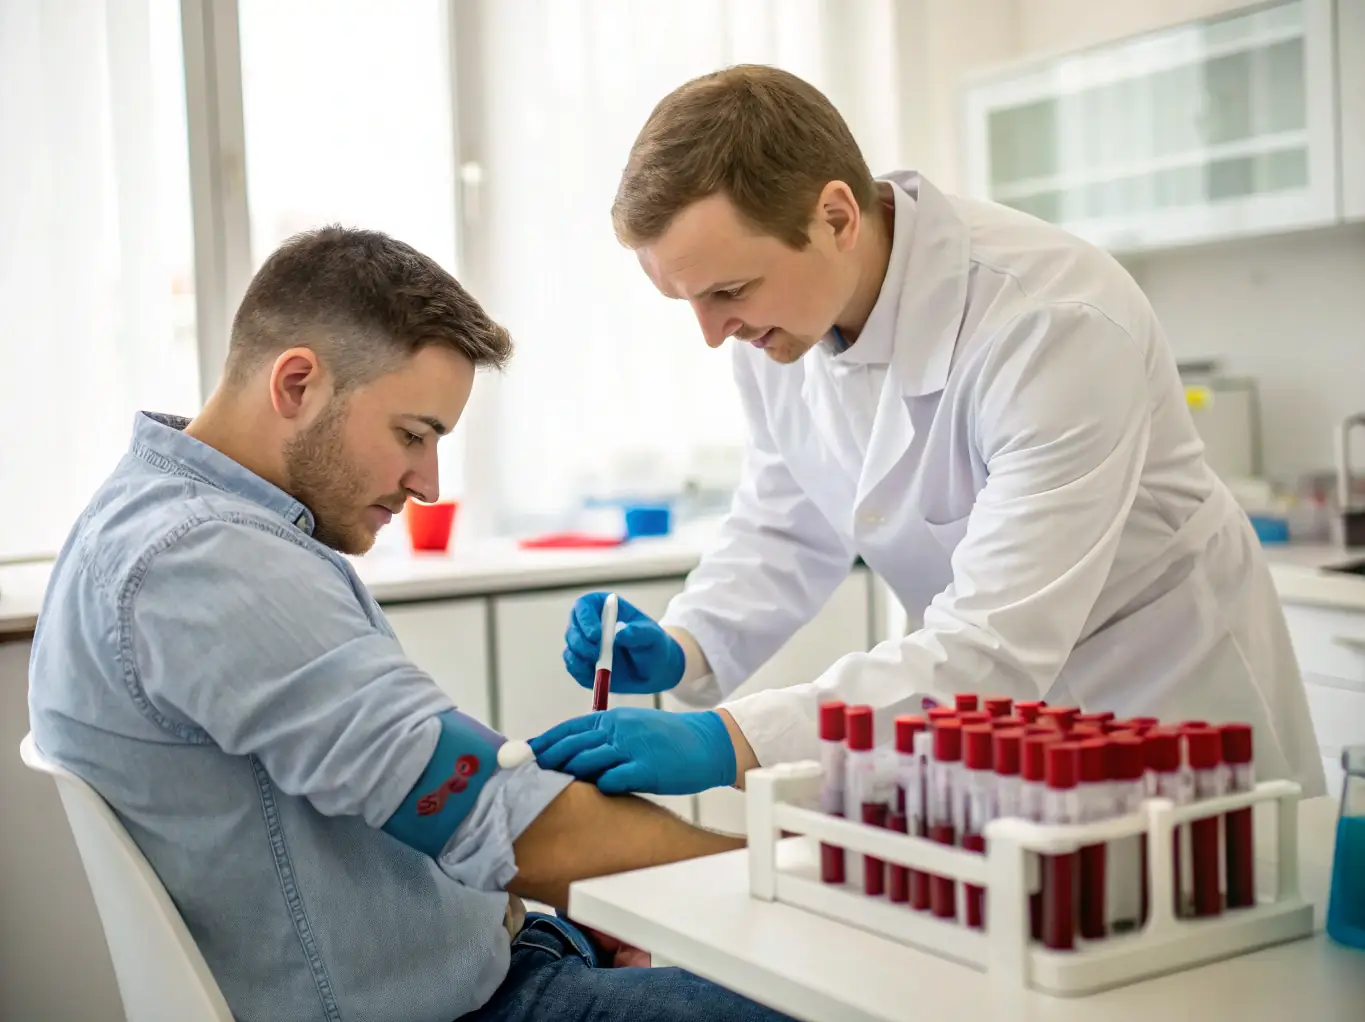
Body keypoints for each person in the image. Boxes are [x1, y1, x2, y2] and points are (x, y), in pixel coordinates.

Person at [27, 226, 799, 1022]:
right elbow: (501, 820)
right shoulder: (207, 565)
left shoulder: (169, 515)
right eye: (412, 434)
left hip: (495, 955)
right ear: (296, 383)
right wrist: (791, 888)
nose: (427, 483)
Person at [531, 64, 1325, 802]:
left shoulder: (1051, 324)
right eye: (691, 302)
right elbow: (785, 523)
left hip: (1166, 711)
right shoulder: (776, 328)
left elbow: (993, 645)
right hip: (992, 733)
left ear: (835, 215)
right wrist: (688, 642)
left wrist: (732, 739)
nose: (711, 333)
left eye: (727, 291)